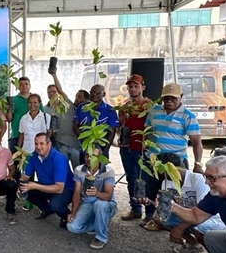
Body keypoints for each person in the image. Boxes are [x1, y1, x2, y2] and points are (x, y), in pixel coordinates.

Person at [138, 82, 203, 227]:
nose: (169, 101)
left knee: (171, 192)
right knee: (152, 188)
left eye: (173, 98)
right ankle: (150, 216)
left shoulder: (188, 116)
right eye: (166, 98)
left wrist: (198, 164)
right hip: (154, 160)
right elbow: (147, 131)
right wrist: (146, 148)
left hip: (176, 163)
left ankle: (168, 220)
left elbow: (197, 142)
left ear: (181, 97)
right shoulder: (154, 111)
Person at [153, 160, 226, 253]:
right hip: (189, 215)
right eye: (163, 172)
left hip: (210, 218)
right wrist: (156, 205)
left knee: (198, 228)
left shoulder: (197, 180)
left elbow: (202, 213)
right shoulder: (167, 182)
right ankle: (193, 243)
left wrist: (180, 228)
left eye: (169, 171)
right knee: (160, 218)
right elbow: (167, 209)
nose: (166, 175)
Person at [66, 149, 117, 249]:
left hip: (106, 203)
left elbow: (109, 196)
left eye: (93, 156)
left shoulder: (108, 171)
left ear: (99, 158)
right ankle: (97, 225)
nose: (89, 158)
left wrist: (97, 193)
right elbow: (76, 192)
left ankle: (101, 237)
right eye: (87, 155)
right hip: (88, 202)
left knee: (100, 205)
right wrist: (73, 212)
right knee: (72, 227)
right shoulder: (79, 170)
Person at [20, 133, 75, 225]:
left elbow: (59, 188)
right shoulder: (33, 156)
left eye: (42, 144)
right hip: (46, 186)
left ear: (49, 144)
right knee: (26, 190)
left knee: (56, 204)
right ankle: (47, 209)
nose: (38, 147)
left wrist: (35, 186)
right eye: (36, 144)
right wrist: (21, 182)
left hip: (65, 189)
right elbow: (26, 177)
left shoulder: (59, 159)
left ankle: (67, 216)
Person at [117, 75, 151, 221]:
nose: (132, 89)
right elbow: (120, 126)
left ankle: (149, 213)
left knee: (145, 181)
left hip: (142, 149)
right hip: (127, 149)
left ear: (143, 87)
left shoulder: (150, 106)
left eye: (136, 86)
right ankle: (135, 209)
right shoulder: (124, 106)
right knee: (131, 179)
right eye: (130, 87)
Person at [45, 72, 80, 169]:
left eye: (54, 91)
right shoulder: (45, 109)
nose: (52, 94)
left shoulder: (67, 105)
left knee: (78, 171)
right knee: (62, 170)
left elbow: (60, 90)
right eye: (49, 92)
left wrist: (54, 75)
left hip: (74, 145)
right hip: (59, 144)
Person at [72, 84, 118, 157]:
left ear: (104, 94)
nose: (94, 94)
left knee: (100, 168)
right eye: (92, 92)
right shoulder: (81, 107)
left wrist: (104, 150)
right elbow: (75, 126)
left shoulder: (110, 110)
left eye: (98, 93)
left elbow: (112, 132)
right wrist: (86, 142)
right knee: (83, 168)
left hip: (101, 148)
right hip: (84, 148)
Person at [6, 77, 34, 153]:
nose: (24, 86)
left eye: (26, 84)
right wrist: (8, 109)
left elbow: (41, 117)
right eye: (21, 84)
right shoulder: (13, 100)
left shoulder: (35, 100)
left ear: (30, 85)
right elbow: (9, 119)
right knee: (15, 162)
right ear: (18, 87)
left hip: (32, 137)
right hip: (16, 136)